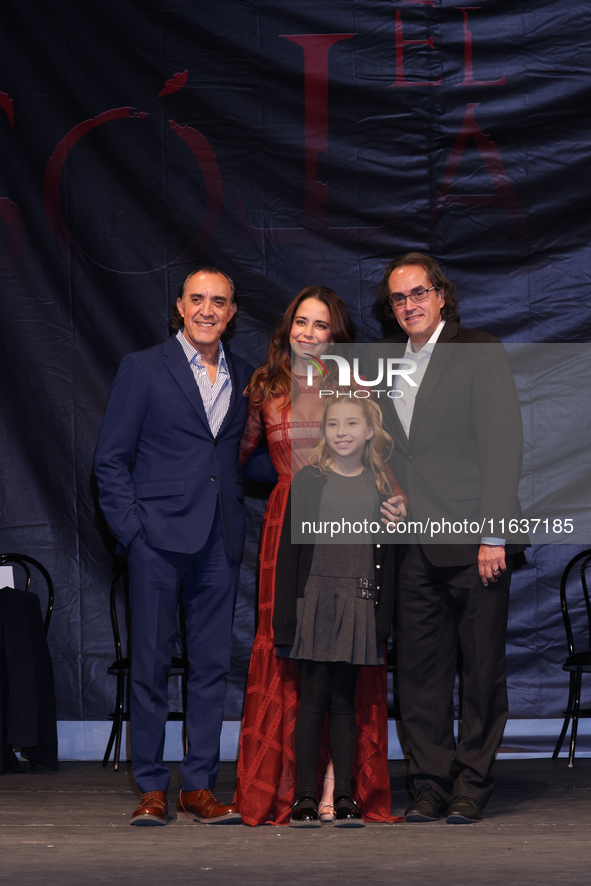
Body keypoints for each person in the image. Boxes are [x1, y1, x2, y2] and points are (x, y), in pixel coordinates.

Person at [233, 287, 403, 825]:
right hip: (287, 524)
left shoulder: (354, 387)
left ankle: (339, 781)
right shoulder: (266, 386)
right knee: (291, 649)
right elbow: (240, 456)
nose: (309, 333)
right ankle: (288, 784)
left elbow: (380, 455)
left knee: (348, 653)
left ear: (337, 335)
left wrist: (392, 502)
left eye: (321, 325)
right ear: (288, 329)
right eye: (301, 323)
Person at [94, 267, 253, 826]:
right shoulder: (142, 368)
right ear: (180, 308)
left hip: (219, 541)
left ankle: (200, 786)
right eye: (198, 300)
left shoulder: (247, 376)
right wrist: (133, 532)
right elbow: (110, 458)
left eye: (220, 301)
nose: (208, 309)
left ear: (232, 313)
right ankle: (152, 787)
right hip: (156, 541)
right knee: (151, 667)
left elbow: (238, 458)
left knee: (211, 668)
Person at [375, 252, 525, 824]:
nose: (409, 305)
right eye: (398, 298)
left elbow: (503, 443)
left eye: (418, 293)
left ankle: (473, 783)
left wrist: (495, 534)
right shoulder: (387, 363)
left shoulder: (479, 351)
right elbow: (391, 453)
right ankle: (430, 784)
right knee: (418, 672)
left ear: (441, 295)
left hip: (474, 541)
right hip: (414, 544)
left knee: (481, 669)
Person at [274, 396, 401, 827]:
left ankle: (344, 795)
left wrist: (381, 617)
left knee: (344, 703)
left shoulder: (382, 487)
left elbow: (389, 559)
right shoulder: (309, 481)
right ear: (323, 432)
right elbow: (290, 552)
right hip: (315, 600)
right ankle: (305, 796)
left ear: (369, 431)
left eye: (351, 423)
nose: (342, 431)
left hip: (359, 601)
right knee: (313, 700)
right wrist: (287, 617)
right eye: (333, 424)